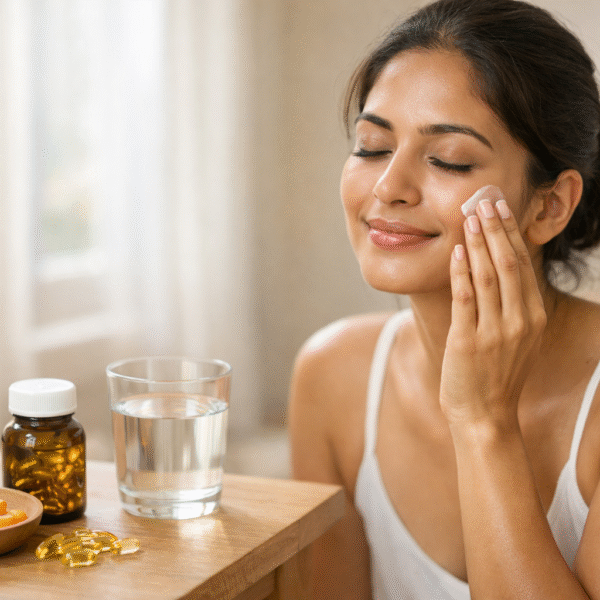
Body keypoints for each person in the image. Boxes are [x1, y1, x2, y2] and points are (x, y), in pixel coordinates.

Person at [288, 0, 600, 598]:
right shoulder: (333, 377)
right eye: (373, 146)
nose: (388, 188)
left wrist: (484, 422)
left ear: (550, 205)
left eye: (447, 159)